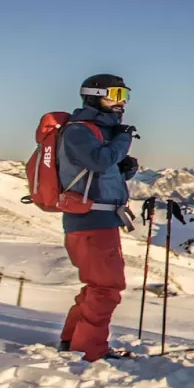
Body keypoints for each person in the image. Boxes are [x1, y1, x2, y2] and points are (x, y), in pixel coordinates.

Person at [57, 73, 139, 361]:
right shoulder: (81, 130)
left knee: (97, 286)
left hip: (98, 219)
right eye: (114, 95)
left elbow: (99, 172)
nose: (121, 103)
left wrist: (124, 167)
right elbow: (98, 160)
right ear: (94, 96)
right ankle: (89, 349)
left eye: (124, 96)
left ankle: (72, 340)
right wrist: (123, 141)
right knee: (107, 287)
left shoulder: (97, 132)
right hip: (92, 220)